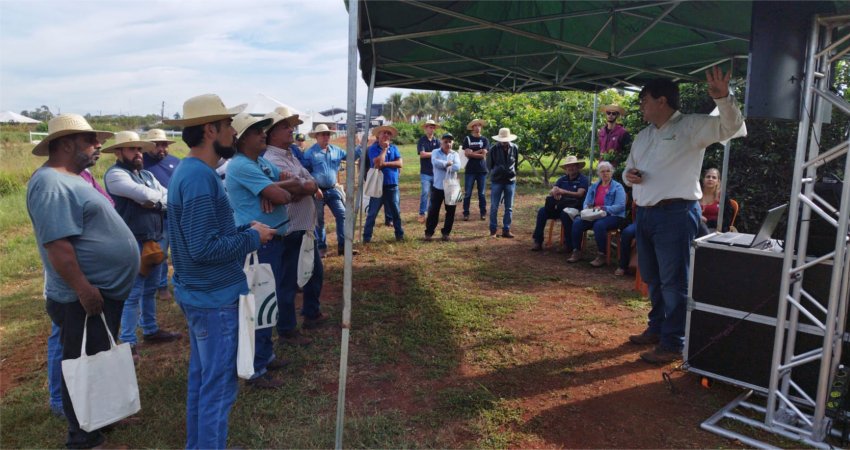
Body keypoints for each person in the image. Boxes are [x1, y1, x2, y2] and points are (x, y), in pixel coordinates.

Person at [164, 94, 276, 449]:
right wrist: (253, 239)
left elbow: (205, 237)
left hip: (201, 294)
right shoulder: (199, 178)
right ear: (211, 130)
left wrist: (244, 232)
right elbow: (203, 248)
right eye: (229, 125)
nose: (233, 131)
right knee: (218, 388)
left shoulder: (191, 171)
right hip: (213, 299)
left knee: (204, 380)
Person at [27, 114, 137, 448]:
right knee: (82, 365)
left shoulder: (75, 178)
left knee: (97, 357)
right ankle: (81, 436)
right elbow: (58, 246)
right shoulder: (51, 183)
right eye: (90, 140)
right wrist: (83, 289)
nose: (98, 146)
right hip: (82, 296)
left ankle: (98, 419)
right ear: (64, 144)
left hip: (100, 291)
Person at [623, 67, 744, 364]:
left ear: (662, 101)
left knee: (674, 281)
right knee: (652, 276)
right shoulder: (643, 136)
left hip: (675, 214)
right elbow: (627, 171)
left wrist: (723, 99)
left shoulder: (691, 127)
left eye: (644, 101)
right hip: (647, 215)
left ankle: (674, 341)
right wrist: (630, 176)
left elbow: (732, 128)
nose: (642, 106)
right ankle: (658, 327)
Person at [225, 113, 292, 389]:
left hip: (271, 242)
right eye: (256, 132)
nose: (263, 134)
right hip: (257, 246)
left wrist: (272, 188)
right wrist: (273, 190)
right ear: (241, 139)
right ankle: (254, 368)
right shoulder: (241, 165)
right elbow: (285, 195)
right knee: (258, 302)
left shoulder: (260, 162)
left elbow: (293, 182)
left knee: (267, 300)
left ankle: (264, 355)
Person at [103, 131, 182, 361]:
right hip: (132, 241)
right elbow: (143, 194)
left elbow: (163, 196)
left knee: (148, 290)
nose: (137, 153)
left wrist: (156, 202)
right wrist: (158, 200)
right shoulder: (116, 175)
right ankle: (128, 342)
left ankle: (150, 329)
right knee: (133, 293)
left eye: (139, 149)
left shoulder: (146, 173)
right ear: (118, 152)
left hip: (152, 238)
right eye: (131, 149)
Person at [263, 107, 329, 346]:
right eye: (285, 126)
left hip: (303, 226)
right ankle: (287, 329)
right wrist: (302, 186)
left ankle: (311, 314)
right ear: (271, 133)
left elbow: (310, 182)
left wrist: (302, 186)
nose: (291, 129)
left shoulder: (289, 155)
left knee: (313, 272)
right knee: (289, 280)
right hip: (290, 228)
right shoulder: (270, 160)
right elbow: (298, 187)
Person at [302, 123, 360, 257]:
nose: (325, 136)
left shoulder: (336, 150)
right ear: (316, 136)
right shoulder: (310, 153)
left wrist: (360, 146)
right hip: (317, 191)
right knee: (319, 220)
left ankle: (343, 247)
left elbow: (350, 158)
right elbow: (305, 173)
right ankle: (321, 248)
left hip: (333, 189)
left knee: (343, 215)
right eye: (322, 134)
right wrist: (314, 188)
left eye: (327, 134)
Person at [143, 128, 181, 301]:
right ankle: (161, 286)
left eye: (164, 144)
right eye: (156, 145)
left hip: (178, 215)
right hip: (156, 217)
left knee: (181, 250)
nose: (161, 148)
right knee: (160, 253)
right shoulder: (142, 163)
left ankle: (181, 281)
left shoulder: (176, 162)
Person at [567, 161, 627, 266]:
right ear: (599, 173)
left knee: (599, 225)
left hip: (613, 216)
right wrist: (587, 208)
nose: (605, 173)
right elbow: (586, 202)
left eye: (608, 171)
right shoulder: (594, 186)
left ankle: (602, 255)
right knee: (577, 222)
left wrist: (603, 208)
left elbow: (620, 206)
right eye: (602, 171)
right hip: (594, 215)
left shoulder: (618, 187)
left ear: (611, 172)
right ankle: (576, 251)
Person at [530, 155, 589, 251]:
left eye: (573, 165)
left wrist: (563, 192)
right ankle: (538, 241)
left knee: (565, 213)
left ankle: (568, 244)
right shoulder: (562, 179)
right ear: (565, 168)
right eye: (568, 166)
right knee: (542, 211)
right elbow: (553, 189)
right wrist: (554, 192)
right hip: (560, 206)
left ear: (577, 167)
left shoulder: (583, 179)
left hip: (576, 208)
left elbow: (580, 194)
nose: (571, 168)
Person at [363, 125, 404, 243]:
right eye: (383, 133)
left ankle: (399, 235)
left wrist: (385, 164)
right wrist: (385, 150)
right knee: (372, 213)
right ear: (378, 136)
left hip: (392, 184)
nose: (386, 135)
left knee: (396, 212)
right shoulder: (373, 149)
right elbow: (378, 163)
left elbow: (400, 163)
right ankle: (366, 238)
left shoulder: (395, 148)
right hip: (377, 185)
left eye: (388, 133)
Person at [424, 133, 461, 241]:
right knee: (433, 211)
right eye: (446, 141)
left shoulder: (455, 154)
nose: (448, 144)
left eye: (450, 142)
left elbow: (457, 167)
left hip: (452, 185)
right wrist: (448, 164)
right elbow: (435, 163)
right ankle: (429, 233)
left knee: (451, 212)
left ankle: (446, 233)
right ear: (441, 142)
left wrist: (445, 165)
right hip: (438, 186)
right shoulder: (435, 152)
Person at [487, 127, 519, 238]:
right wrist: (496, 173)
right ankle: (493, 230)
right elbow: (489, 165)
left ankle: (506, 229)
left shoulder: (514, 148)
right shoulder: (493, 149)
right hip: (497, 180)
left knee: (509, 207)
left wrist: (513, 174)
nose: (504, 142)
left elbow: (516, 163)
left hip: (510, 180)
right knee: (494, 206)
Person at [462, 119, 489, 221]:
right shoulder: (467, 139)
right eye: (475, 126)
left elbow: (483, 156)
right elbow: (466, 154)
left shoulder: (485, 140)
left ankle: (483, 213)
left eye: (479, 125)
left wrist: (472, 154)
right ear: (472, 128)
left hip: (482, 170)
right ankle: (466, 213)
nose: (478, 127)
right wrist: (479, 151)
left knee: (481, 193)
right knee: (468, 192)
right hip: (470, 170)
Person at [698, 167, 734, 235]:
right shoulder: (696, 195)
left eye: (714, 177)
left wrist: (707, 222)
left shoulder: (723, 197)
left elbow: (727, 219)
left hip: (715, 230)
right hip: (695, 227)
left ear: (718, 181)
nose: (710, 179)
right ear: (703, 180)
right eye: (708, 176)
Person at [416, 119, 440, 223]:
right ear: (425, 128)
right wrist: (434, 153)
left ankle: (430, 213)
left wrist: (431, 153)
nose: (431, 129)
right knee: (425, 193)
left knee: (433, 194)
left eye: (433, 127)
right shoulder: (422, 140)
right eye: (429, 127)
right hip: (425, 172)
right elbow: (422, 154)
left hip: (435, 172)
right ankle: (422, 213)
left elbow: (440, 155)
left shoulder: (437, 141)